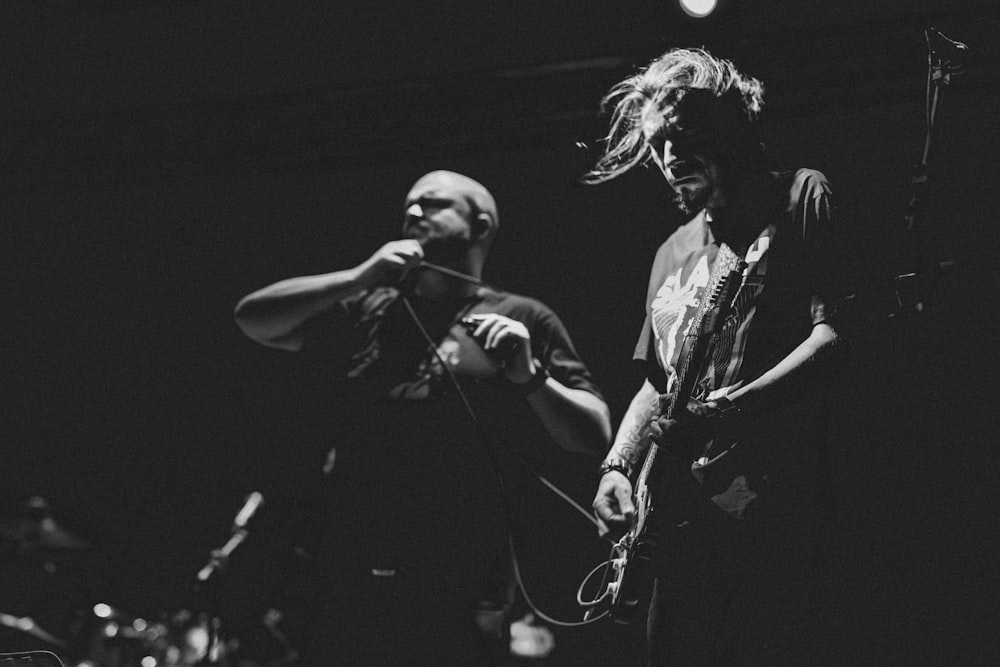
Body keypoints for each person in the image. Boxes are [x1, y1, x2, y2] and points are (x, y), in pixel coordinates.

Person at [234, 170, 611, 665]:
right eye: (409, 205)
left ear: (481, 225)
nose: (413, 213)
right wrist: (358, 277)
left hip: (465, 570)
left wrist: (531, 375)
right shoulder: (371, 306)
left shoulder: (523, 316)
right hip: (350, 558)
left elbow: (594, 433)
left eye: (432, 204)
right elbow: (253, 319)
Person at [587, 49, 853, 664]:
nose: (668, 157)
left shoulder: (799, 198)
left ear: (731, 124)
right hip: (680, 530)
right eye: (657, 145)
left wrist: (730, 409)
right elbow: (660, 382)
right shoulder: (670, 250)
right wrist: (617, 467)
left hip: (776, 519)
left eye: (683, 136)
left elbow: (837, 336)